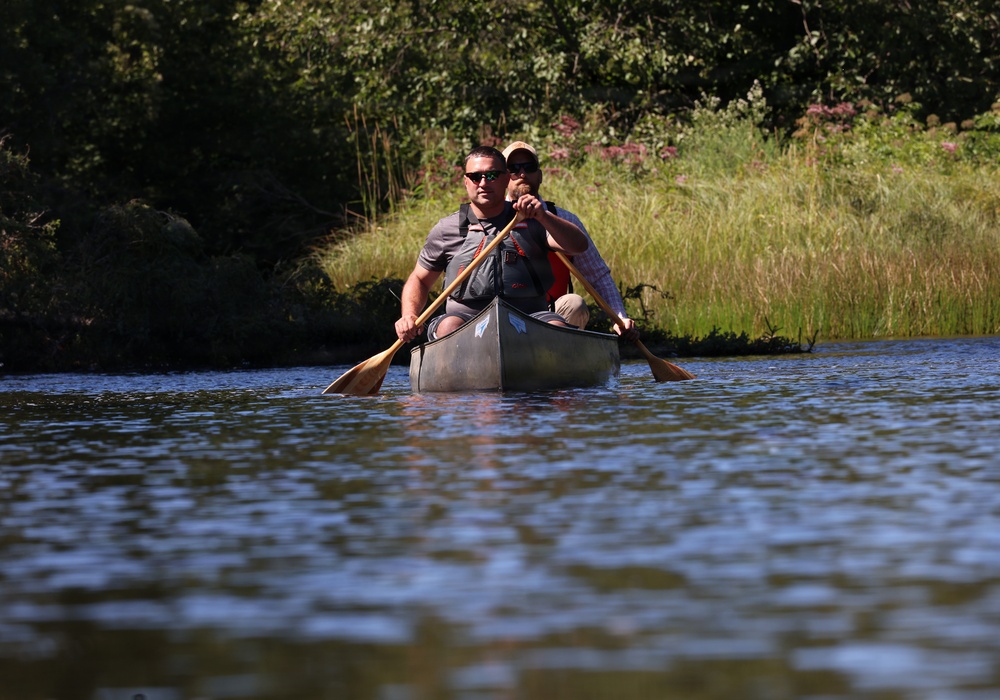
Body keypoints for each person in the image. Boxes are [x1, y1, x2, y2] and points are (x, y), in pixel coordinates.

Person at [394, 145, 590, 343]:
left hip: (530, 316)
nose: (483, 183)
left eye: (492, 175)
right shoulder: (447, 229)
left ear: (506, 179)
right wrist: (409, 314)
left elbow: (579, 246)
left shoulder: (531, 219)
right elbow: (420, 279)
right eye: (475, 176)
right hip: (465, 318)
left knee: (556, 327)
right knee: (449, 326)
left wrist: (544, 217)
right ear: (466, 182)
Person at [502, 141, 639, 341]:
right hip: (502, 312)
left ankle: (556, 357)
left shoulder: (565, 220)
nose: (522, 174)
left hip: (550, 314)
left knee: (575, 303)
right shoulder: (490, 219)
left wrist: (620, 318)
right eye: (513, 169)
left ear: (539, 176)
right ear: (504, 178)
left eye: (529, 167)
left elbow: (598, 276)